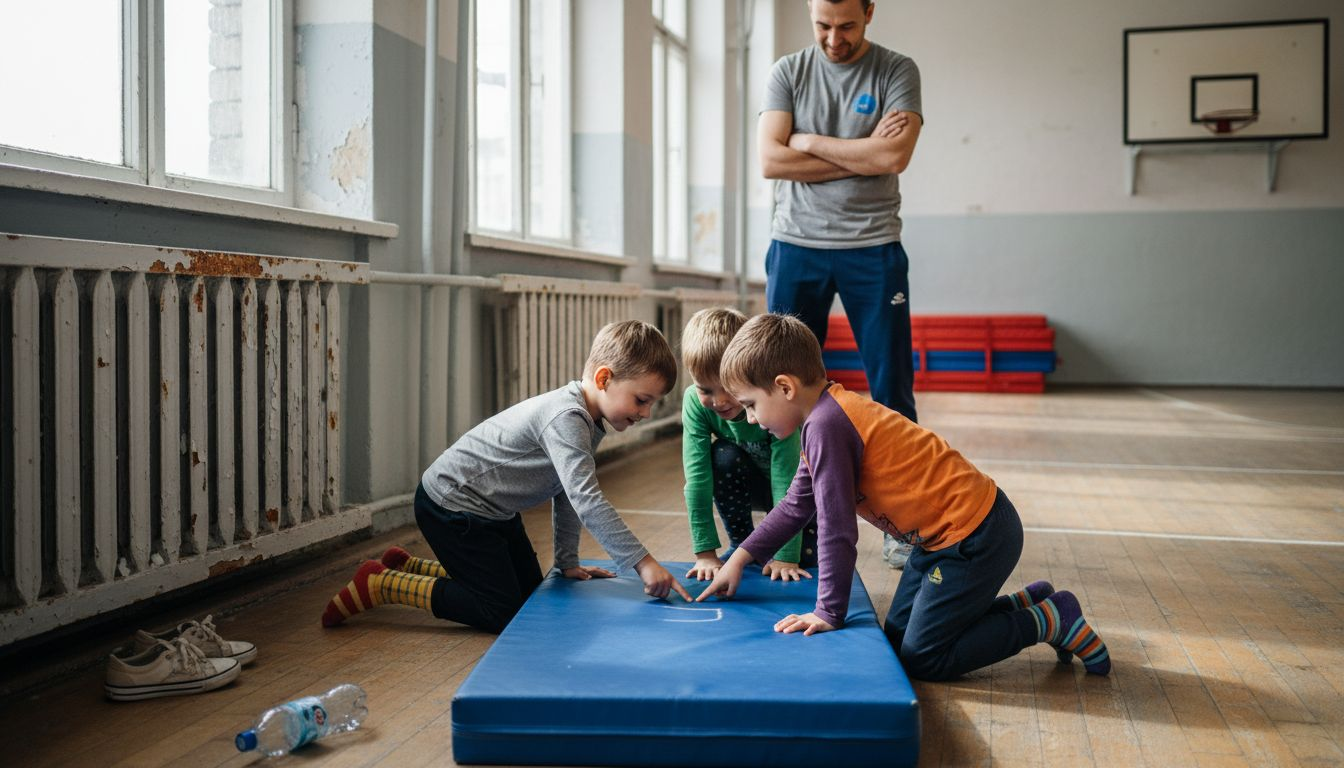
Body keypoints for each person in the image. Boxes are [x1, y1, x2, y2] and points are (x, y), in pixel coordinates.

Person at [696, 314, 1110, 681]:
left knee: (923, 658)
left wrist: (828, 611)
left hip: (973, 537)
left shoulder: (826, 426)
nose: (750, 418)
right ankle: (1025, 603)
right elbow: (794, 505)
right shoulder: (822, 418)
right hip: (942, 540)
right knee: (893, 641)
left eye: (751, 405)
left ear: (784, 387)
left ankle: (1048, 620)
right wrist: (740, 558)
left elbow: (837, 530)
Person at [321, 320, 693, 634]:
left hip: (492, 513)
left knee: (530, 597)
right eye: (642, 400)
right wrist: (643, 563)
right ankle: (382, 583)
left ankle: (408, 566)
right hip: (453, 507)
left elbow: (566, 494)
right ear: (604, 378)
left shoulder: (589, 421)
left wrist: (567, 561)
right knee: (502, 611)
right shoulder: (566, 418)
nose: (646, 413)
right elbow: (587, 499)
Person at [759, 0, 922, 569]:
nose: (833, 39)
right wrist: (862, 155)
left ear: (870, 12)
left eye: (847, 25)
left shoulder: (897, 71)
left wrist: (807, 140)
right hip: (795, 244)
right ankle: (790, 526)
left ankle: (905, 526)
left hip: (872, 246)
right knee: (778, 386)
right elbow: (770, 161)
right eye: (822, 25)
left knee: (893, 388)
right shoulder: (788, 71)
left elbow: (894, 153)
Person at [679, 307, 813, 583]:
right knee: (722, 456)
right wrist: (705, 552)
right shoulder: (694, 404)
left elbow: (787, 480)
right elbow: (697, 479)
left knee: (807, 560)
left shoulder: (772, 404)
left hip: (798, 491)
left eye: (727, 388)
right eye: (705, 389)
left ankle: (778, 545)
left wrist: (786, 555)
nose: (719, 401)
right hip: (749, 482)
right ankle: (743, 541)